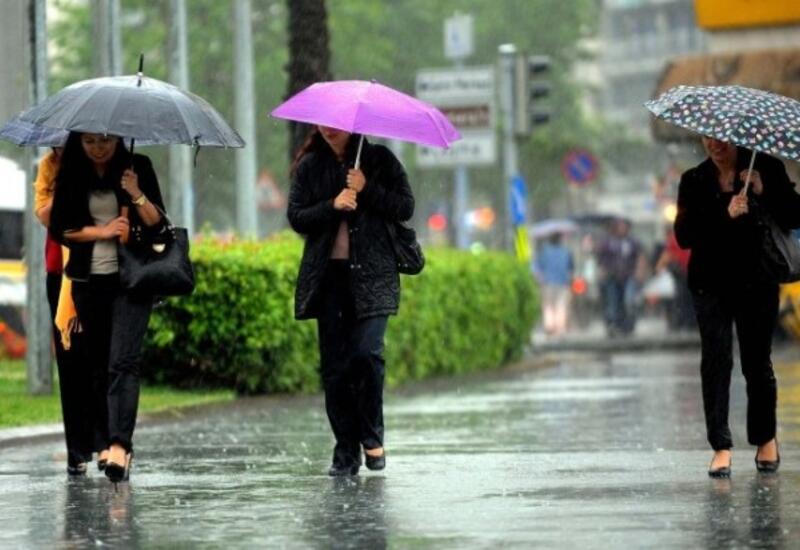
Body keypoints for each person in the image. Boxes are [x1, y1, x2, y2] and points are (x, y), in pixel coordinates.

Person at [287, 126, 414, 476]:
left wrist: (366, 188)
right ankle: (346, 448)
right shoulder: (311, 166)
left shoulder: (379, 160)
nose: (328, 129)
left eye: (336, 123)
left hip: (374, 276)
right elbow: (296, 216)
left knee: (367, 354)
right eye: (323, 123)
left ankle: (372, 437)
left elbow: (405, 207)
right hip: (329, 279)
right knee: (335, 369)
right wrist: (333, 204)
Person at [674, 136, 800, 478]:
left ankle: (765, 439)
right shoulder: (694, 179)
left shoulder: (765, 167)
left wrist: (763, 191)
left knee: (757, 362)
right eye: (707, 138)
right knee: (715, 362)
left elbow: (793, 214)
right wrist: (723, 213)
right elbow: (684, 233)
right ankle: (721, 446)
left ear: (738, 137)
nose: (715, 145)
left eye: (723, 140)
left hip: (756, 281)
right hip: (710, 285)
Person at [50, 132, 166, 483]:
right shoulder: (72, 173)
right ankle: (102, 441)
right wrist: (100, 233)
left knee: (123, 362)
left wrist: (135, 193)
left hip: (131, 283)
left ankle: (120, 446)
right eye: (88, 142)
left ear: (118, 139)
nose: (98, 148)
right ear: (78, 144)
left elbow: (158, 224)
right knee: (97, 363)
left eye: (104, 140)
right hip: (89, 283)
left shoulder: (137, 166)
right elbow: (60, 229)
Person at [33, 147, 97, 475]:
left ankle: (109, 441)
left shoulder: (102, 162)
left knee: (99, 359)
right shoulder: (49, 166)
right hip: (60, 274)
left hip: (99, 271)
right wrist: (65, 185)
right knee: (69, 361)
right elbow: (44, 215)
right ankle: (77, 450)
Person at [595, 218, 642, 336]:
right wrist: (602, 270)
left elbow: (640, 256)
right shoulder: (608, 242)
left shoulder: (632, 242)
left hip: (628, 275)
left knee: (629, 300)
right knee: (613, 302)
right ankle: (613, 325)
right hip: (612, 276)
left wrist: (639, 271)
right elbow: (600, 257)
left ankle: (628, 324)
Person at [533, 233, 574, 336]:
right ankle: (560, 328)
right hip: (563, 282)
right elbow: (571, 267)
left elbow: (537, 266)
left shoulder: (544, 252)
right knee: (561, 305)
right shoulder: (566, 252)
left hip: (548, 282)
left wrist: (539, 277)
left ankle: (549, 326)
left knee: (548, 306)